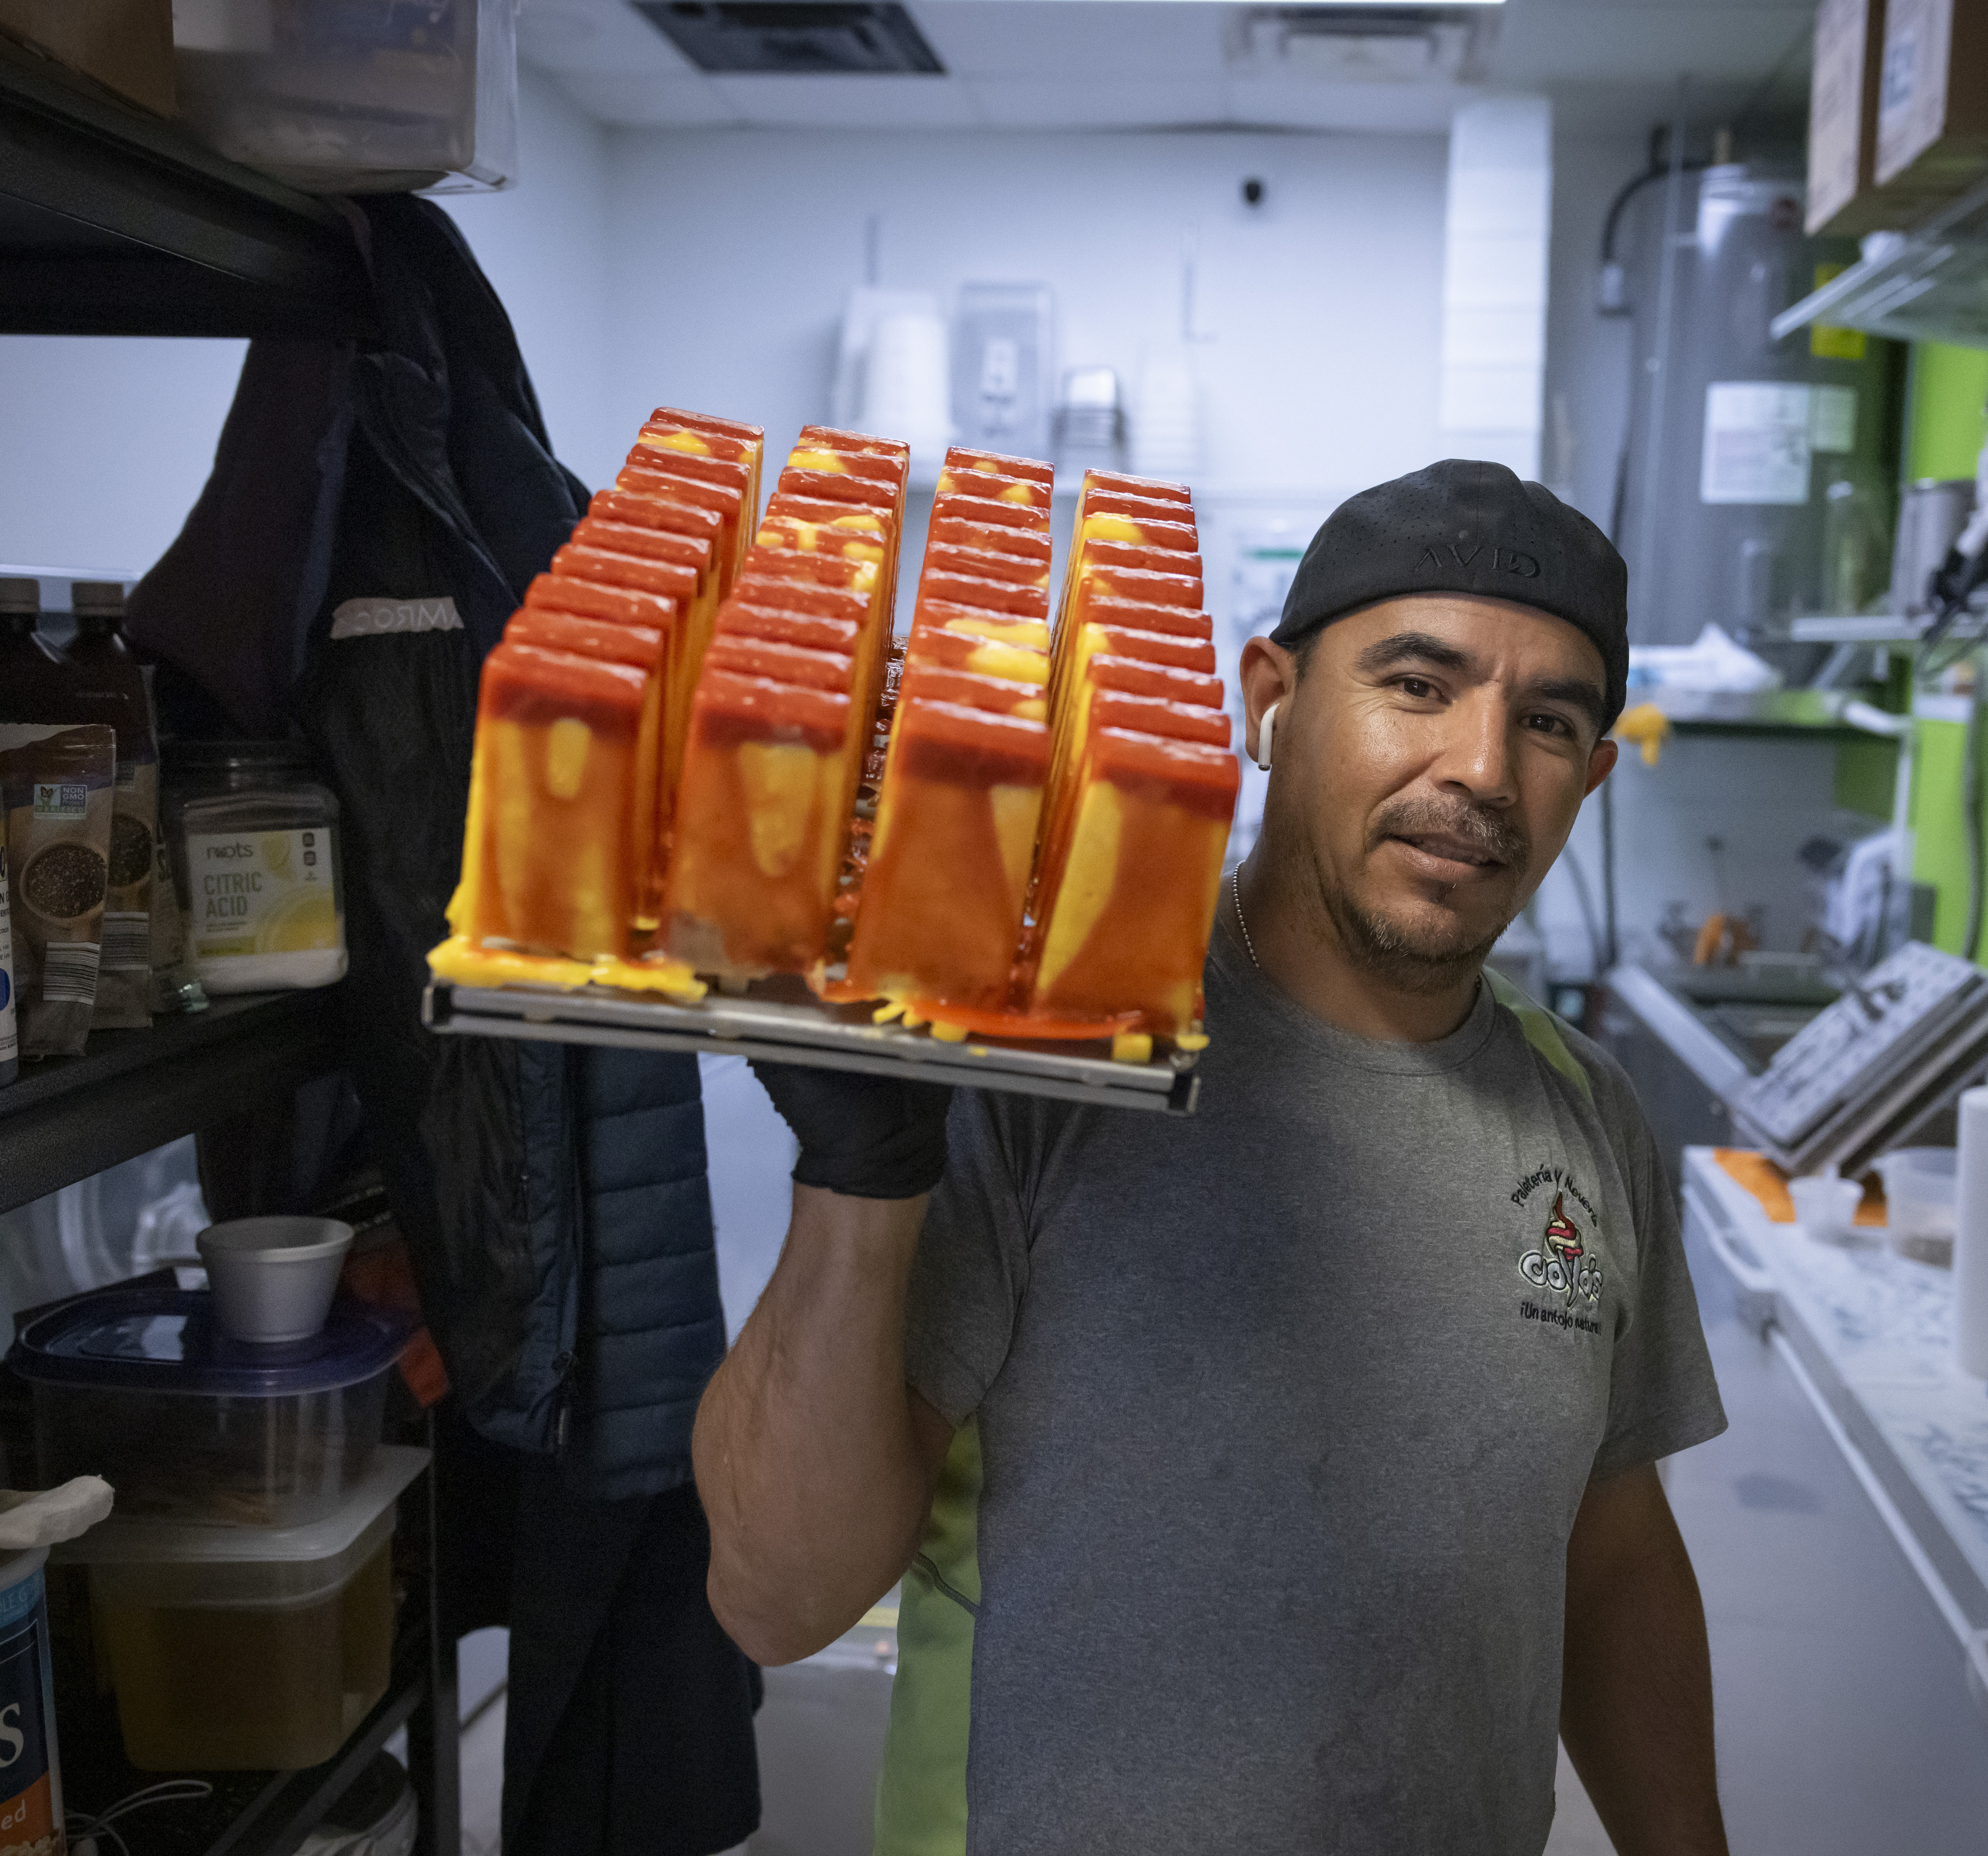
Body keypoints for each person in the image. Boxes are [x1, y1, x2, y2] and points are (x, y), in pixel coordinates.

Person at [694, 459, 1731, 1855]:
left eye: (1546, 721)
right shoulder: (1053, 1066)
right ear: (1269, 703)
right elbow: (775, 1599)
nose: (1481, 770)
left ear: (1591, 775)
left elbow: (1609, 1557)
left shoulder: (1584, 1115)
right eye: (1415, 687)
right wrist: (860, 1179)